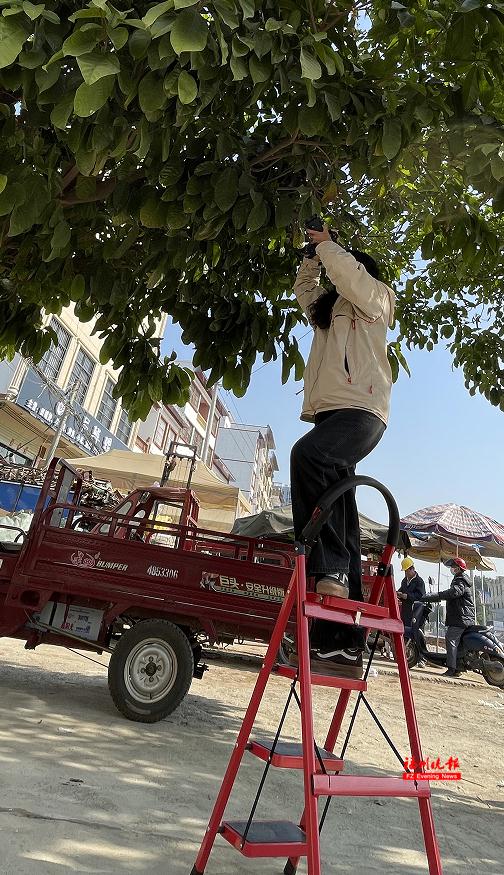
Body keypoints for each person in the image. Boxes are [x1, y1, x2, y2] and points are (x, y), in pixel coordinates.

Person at [290, 225, 395, 677]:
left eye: (342, 268)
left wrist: (327, 245)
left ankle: (325, 566)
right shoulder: (329, 314)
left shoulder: (376, 299)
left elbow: (350, 277)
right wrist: (311, 259)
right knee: (343, 511)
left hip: (363, 411)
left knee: (307, 457)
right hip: (332, 416)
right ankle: (343, 642)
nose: (338, 280)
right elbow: (304, 291)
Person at [420, 557, 475, 677]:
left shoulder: (460, 581)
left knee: (451, 639)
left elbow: (453, 593)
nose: (451, 569)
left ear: (458, 568)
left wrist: (436, 595)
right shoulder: (461, 580)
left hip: (460, 618)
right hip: (462, 617)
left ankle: (451, 669)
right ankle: (458, 668)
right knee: (458, 643)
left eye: (453, 567)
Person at [397, 557, 427, 668]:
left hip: (416, 613)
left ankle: (422, 659)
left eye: (406, 571)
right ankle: (407, 656)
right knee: (406, 635)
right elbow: (401, 590)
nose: (405, 573)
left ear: (411, 569)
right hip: (406, 612)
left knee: (417, 636)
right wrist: (398, 594)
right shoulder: (404, 581)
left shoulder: (419, 582)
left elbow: (421, 597)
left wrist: (407, 596)